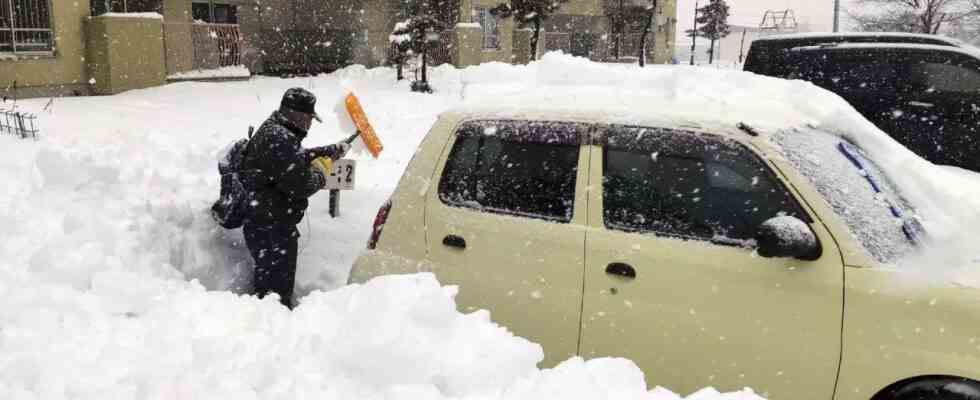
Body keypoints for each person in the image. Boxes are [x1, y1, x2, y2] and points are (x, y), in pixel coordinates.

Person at [240, 87, 350, 308]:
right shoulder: (279, 138)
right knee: (275, 294)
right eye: (309, 118)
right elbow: (301, 185)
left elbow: (296, 157)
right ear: (296, 115)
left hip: (267, 223)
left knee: (269, 288)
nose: (310, 124)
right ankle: (273, 327)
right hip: (271, 229)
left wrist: (329, 151)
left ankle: (268, 317)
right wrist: (321, 172)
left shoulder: (278, 131)